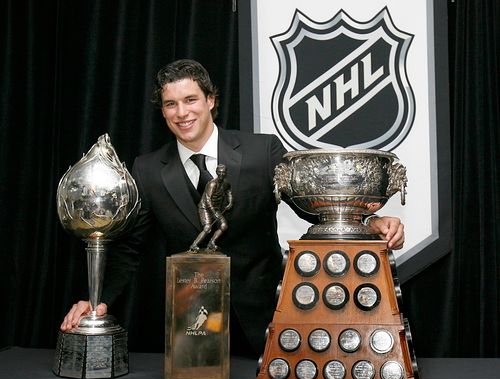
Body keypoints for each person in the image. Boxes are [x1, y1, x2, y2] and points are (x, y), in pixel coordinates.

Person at [60, 59, 405, 357]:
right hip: (192, 329)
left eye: (191, 100)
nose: (182, 113)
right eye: (170, 104)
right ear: (162, 110)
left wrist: (370, 223)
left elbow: (311, 210)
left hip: (266, 324)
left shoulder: (262, 152)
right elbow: (131, 249)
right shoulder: (147, 169)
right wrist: (97, 300)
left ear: (211, 101)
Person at [189, 164, 233, 252]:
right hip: (205, 207)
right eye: (219, 172)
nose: (221, 174)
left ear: (226, 173)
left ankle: (211, 243)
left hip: (215, 208)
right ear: (217, 172)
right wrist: (214, 213)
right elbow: (208, 199)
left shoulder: (226, 183)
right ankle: (194, 245)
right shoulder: (212, 184)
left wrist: (230, 202)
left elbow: (229, 192)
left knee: (223, 226)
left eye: (223, 172)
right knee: (207, 228)